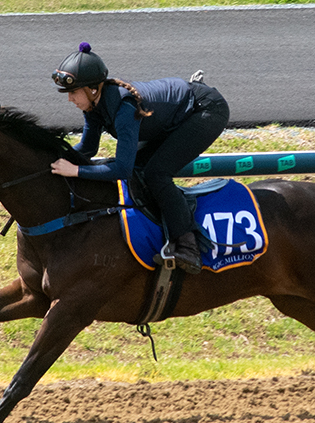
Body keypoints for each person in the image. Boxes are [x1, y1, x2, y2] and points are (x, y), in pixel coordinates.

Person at [50, 42, 230, 275]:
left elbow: (122, 170)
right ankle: (159, 227)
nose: (69, 99)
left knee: (156, 174)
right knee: (141, 169)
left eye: (73, 92)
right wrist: (54, 158)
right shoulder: (93, 106)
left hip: (205, 111)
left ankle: (187, 245)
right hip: (176, 113)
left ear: (92, 89)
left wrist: (75, 171)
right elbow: (87, 148)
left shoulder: (123, 109)